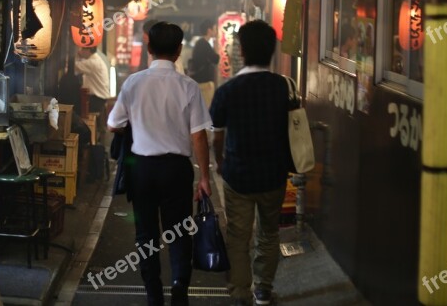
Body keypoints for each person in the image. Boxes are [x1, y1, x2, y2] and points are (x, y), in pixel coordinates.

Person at [107, 22, 212, 306]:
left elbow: (113, 124)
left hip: (141, 169)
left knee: (146, 235)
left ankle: (154, 294)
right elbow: (199, 135)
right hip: (176, 170)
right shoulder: (188, 86)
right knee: (179, 230)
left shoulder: (133, 83)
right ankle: (179, 285)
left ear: (149, 49)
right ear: (178, 51)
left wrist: (138, 122)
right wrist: (205, 177)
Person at [209, 20, 293, 306]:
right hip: (274, 174)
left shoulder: (228, 91)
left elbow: (216, 136)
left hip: (238, 175)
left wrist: (219, 162)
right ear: (272, 50)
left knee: (237, 236)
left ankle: (241, 292)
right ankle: (263, 290)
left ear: (241, 51)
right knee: (269, 233)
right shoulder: (284, 88)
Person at [75, 46, 111, 132]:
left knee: (73, 107)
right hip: (100, 99)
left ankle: (84, 135)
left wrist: (76, 55)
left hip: (96, 99)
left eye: (82, 48)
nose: (80, 50)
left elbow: (73, 66)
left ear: (88, 50)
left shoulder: (93, 62)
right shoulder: (96, 60)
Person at [189, 19, 220, 108]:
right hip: (204, 83)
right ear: (209, 30)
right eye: (214, 29)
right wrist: (216, 46)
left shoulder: (201, 43)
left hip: (200, 81)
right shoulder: (204, 44)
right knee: (206, 109)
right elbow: (215, 59)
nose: (215, 31)